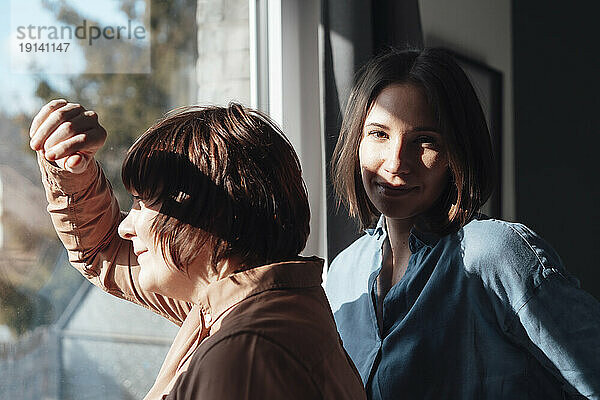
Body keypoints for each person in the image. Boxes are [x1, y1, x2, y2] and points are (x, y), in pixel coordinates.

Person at [30, 100, 366, 400]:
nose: (125, 226)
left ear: (208, 214)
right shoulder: (240, 303)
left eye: (143, 203)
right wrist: (68, 168)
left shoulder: (243, 357)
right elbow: (104, 250)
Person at [325, 48, 600, 399]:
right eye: (379, 134)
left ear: (457, 153)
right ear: (355, 142)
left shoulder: (494, 253)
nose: (396, 163)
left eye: (425, 141)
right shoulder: (343, 272)